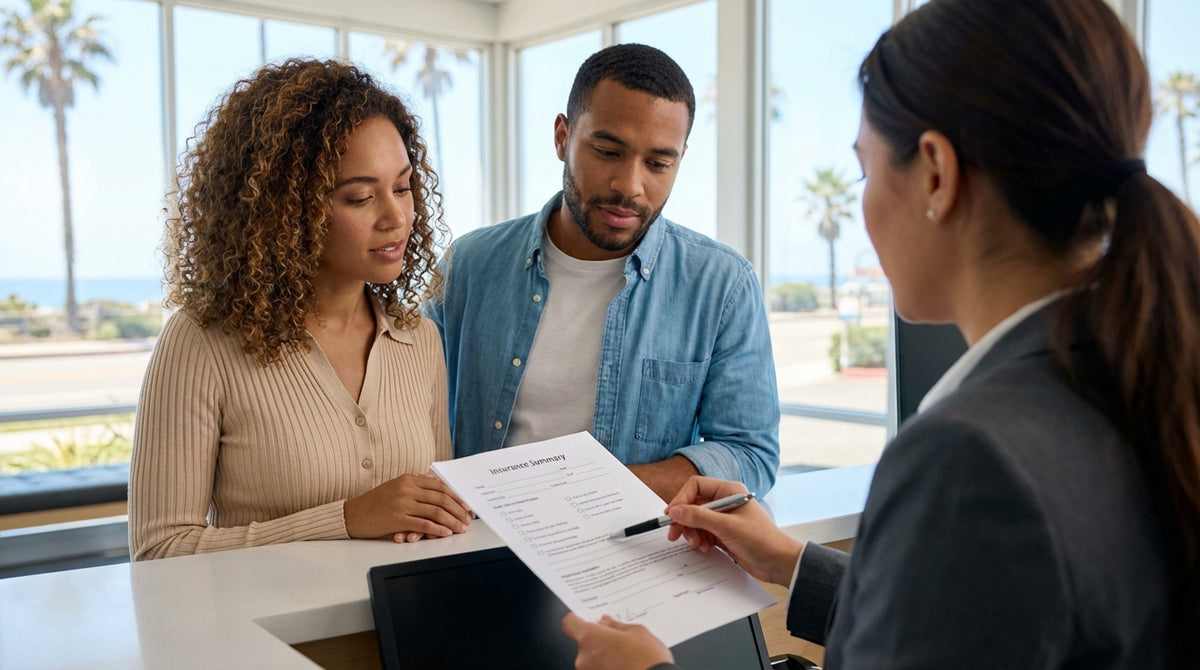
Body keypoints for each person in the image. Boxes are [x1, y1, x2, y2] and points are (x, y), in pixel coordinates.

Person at [562, 0, 1200, 667]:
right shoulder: (1143, 383)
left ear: (934, 174)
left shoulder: (968, 458)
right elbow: (982, 625)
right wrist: (791, 562)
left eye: (865, 169)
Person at [128, 58, 473, 560]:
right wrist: (346, 520)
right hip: (263, 636)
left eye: (402, 188)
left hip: (408, 632)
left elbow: (436, 519)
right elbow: (159, 550)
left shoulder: (417, 337)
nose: (396, 217)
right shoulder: (202, 340)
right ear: (284, 209)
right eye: (359, 197)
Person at [425, 43, 780, 502]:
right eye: (608, 151)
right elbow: (409, 415)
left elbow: (750, 455)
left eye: (658, 163)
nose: (629, 186)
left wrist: (581, 491)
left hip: (629, 557)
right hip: (476, 550)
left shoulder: (721, 285)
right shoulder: (468, 265)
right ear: (562, 137)